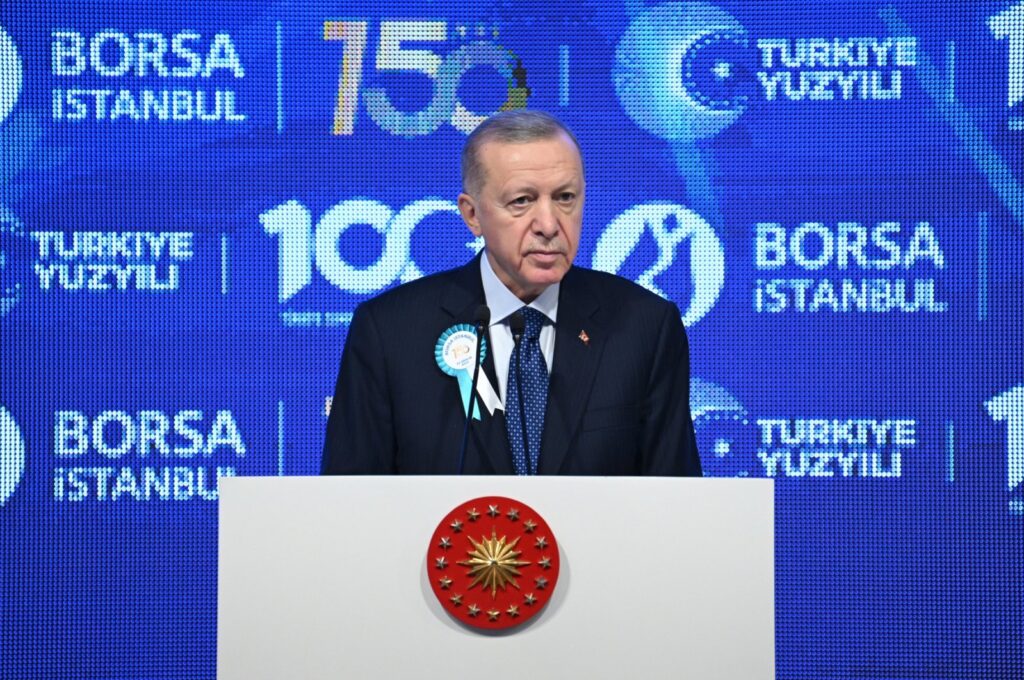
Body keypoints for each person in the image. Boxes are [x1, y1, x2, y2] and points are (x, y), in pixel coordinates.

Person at [322, 111, 701, 476]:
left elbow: (676, 502)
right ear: (472, 215)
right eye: (522, 201)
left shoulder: (643, 327)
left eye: (565, 197)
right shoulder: (391, 332)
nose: (550, 225)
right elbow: (351, 503)